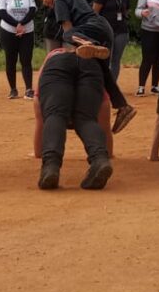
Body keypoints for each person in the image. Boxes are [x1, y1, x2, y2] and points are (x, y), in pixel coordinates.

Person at [33, 0, 137, 134]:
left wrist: (76, 48)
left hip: (92, 31)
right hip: (104, 30)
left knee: (66, 34)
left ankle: (91, 45)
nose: (45, 3)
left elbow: (67, 28)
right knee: (103, 72)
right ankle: (123, 106)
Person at [34, 47, 113, 190]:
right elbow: (104, 118)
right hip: (91, 65)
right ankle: (99, 159)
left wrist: (40, 152)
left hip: (57, 65)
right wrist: (105, 154)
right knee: (86, 118)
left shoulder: (54, 54)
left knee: (55, 114)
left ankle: (51, 166)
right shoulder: (92, 57)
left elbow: (39, 106)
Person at [0, 0, 37, 99]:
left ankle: (29, 89)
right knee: (10, 60)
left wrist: (22, 24)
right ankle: (13, 89)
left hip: (27, 31)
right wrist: (16, 25)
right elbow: (1, 12)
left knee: (26, 60)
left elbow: (32, 11)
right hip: (8, 31)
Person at [91, 0, 133, 84]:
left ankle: (112, 85)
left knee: (116, 60)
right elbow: (94, 12)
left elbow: (126, 11)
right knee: (105, 58)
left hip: (121, 31)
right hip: (105, 31)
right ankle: (101, 84)